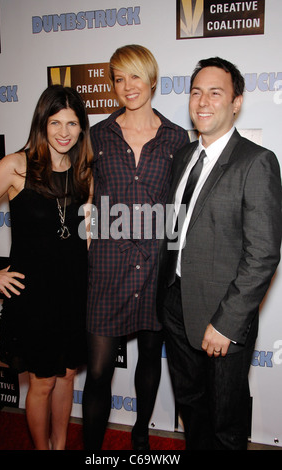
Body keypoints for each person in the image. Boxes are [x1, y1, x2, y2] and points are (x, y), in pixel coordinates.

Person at [157, 57, 282, 450]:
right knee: (192, 410)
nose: (203, 101)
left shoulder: (256, 161)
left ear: (236, 102)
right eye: (196, 92)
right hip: (176, 305)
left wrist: (227, 323)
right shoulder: (183, 157)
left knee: (225, 424)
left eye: (216, 92)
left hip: (222, 315)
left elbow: (263, 254)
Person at [83, 44, 189, 450]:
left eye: (135, 76)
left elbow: (183, 202)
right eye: (118, 78)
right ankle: (91, 451)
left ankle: (141, 433)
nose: (127, 86)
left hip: (156, 266)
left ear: (153, 79)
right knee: (97, 372)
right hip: (108, 267)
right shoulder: (97, 135)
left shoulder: (177, 138)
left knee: (149, 358)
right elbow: (85, 193)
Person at [0, 85, 93, 450]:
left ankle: (60, 448)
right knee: (43, 382)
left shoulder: (83, 171)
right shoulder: (16, 165)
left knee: (66, 376)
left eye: (72, 123)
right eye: (56, 122)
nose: (64, 132)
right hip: (34, 298)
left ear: (82, 128)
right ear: (42, 123)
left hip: (74, 293)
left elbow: (85, 234)